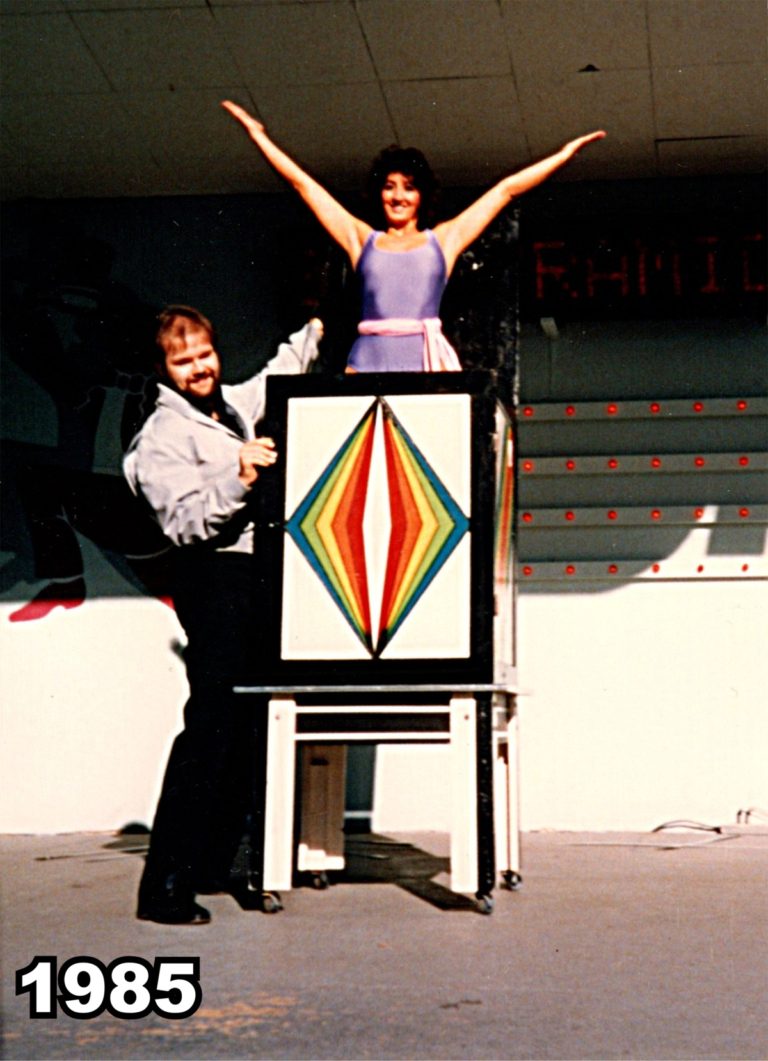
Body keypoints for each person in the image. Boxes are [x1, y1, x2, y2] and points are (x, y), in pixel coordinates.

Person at [123, 306, 322, 924]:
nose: (199, 367)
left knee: (248, 728)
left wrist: (320, 319)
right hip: (213, 579)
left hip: (255, 579)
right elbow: (183, 524)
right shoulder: (158, 437)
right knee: (210, 729)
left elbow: (282, 369)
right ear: (163, 369)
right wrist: (237, 478)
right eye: (184, 361)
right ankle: (165, 888)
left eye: (204, 353)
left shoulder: (231, 406)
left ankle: (214, 864)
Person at [222, 100, 605, 372]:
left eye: (408, 187)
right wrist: (259, 136)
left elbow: (506, 190)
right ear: (379, 193)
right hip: (367, 363)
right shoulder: (362, 240)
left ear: (422, 195)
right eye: (389, 186)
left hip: (423, 367)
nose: (398, 196)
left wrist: (563, 155)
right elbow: (303, 185)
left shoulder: (443, 241)